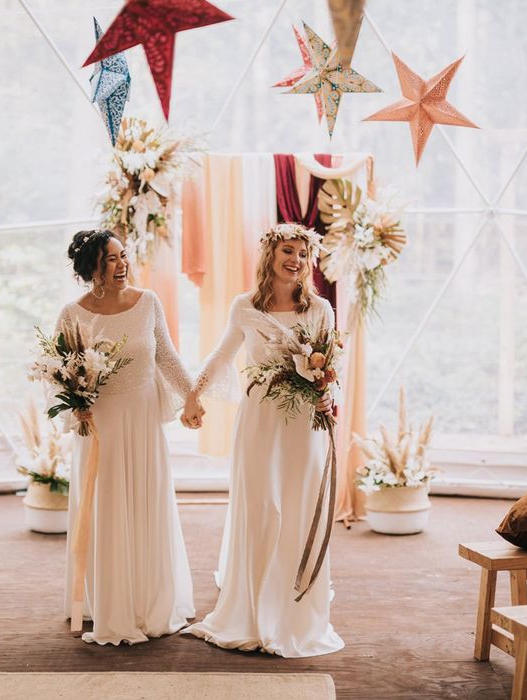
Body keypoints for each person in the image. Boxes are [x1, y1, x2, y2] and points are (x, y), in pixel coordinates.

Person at [181, 223, 344, 658]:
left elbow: (330, 367)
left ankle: (293, 614)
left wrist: (328, 397)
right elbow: (221, 356)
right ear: (270, 256)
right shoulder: (244, 307)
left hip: (303, 425)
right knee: (262, 509)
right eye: (288, 250)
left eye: (303, 254)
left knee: (297, 509)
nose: (296, 260)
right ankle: (251, 612)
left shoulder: (320, 310)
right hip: (259, 422)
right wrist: (193, 394)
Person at [57, 229, 198, 645]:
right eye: (112, 260)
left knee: (146, 502)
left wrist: (191, 396)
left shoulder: (147, 302)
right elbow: (60, 370)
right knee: (105, 508)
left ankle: (150, 601)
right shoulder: (72, 313)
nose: (122, 265)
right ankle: (109, 603)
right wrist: (74, 403)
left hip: (142, 421)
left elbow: (167, 356)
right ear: (92, 269)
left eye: (124, 256)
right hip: (99, 426)